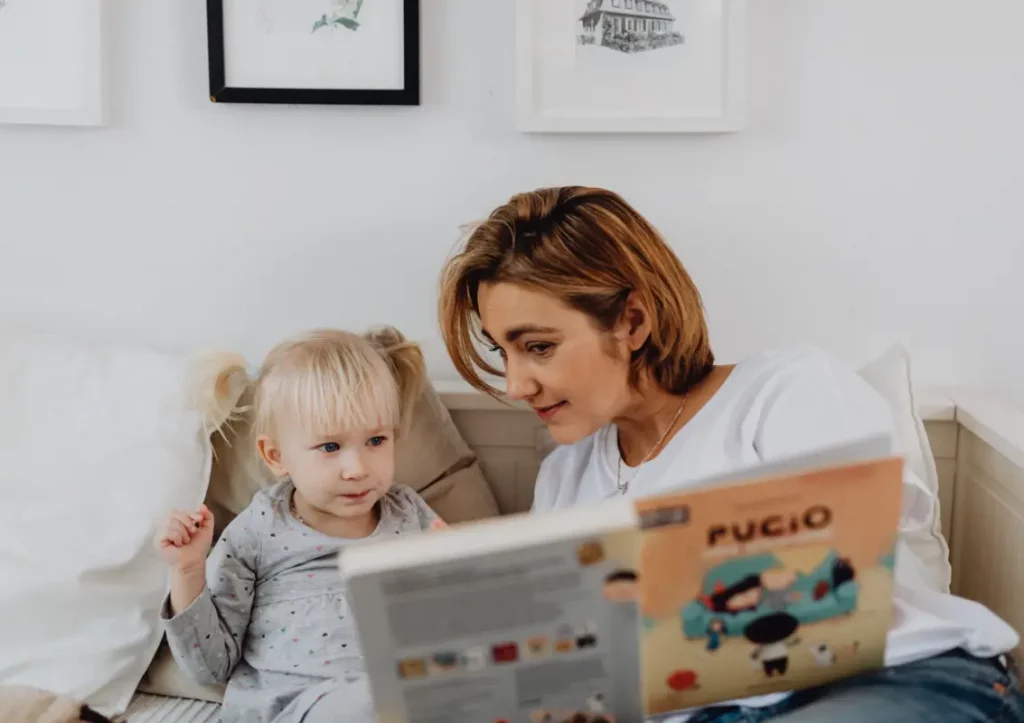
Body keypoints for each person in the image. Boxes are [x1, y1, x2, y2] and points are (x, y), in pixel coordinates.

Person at [438, 186, 1022, 722]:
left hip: (881, 679)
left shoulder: (785, 388)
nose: (516, 385)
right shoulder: (564, 479)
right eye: (503, 352)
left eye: (537, 347)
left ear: (632, 321)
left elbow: (844, 567)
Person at [154, 328, 444, 723]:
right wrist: (188, 570)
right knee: (370, 702)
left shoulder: (410, 515)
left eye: (376, 440)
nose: (357, 469)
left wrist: (458, 565)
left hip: (402, 698)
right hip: (292, 708)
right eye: (330, 447)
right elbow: (210, 667)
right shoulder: (256, 533)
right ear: (276, 456)